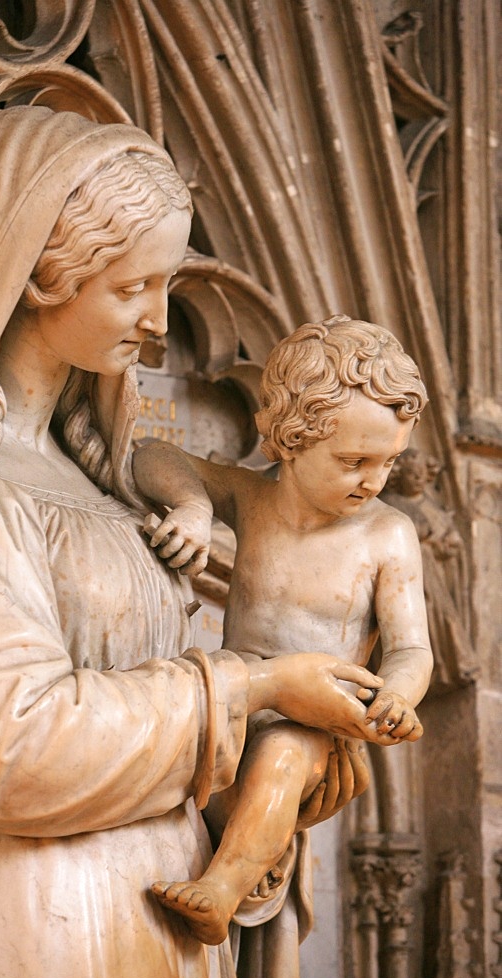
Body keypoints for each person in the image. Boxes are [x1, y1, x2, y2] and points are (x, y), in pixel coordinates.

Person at [0, 111, 386, 978]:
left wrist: (276, 768)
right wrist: (252, 688)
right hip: (18, 906)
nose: (159, 321)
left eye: (167, 285)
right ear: (40, 275)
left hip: (156, 915)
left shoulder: (121, 495)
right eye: (134, 287)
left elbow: (162, 745)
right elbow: (11, 753)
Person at [133, 315, 434, 946]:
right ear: (291, 439)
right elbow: (152, 455)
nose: (374, 481)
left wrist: (396, 696)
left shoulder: (387, 535)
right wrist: (193, 506)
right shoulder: (251, 498)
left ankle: (220, 890)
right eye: (355, 461)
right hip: (232, 708)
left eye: (390, 462)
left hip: (317, 725)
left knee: (286, 754)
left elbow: (409, 648)